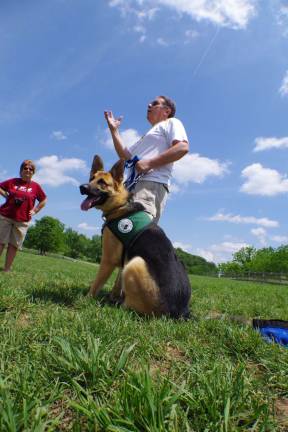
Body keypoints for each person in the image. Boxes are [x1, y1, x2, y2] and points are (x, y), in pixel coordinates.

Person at [104, 95, 189, 223]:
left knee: (137, 228)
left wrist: (149, 163)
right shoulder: (147, 135)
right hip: (130, 187)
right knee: (121, 230)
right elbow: (124, 156)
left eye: (154, 103)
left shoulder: (172, 122)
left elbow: (182, 147)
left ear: (167, 111)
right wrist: (114, 130)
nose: (149, 105)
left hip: (150, 184)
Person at [0, 160, 47, 272]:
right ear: (21, 170)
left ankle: (7, 269)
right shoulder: (13, 181)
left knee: (14, 245)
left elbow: (44, 200)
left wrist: (35, 210)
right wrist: (5, 195)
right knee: (0, 242)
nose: (28, 170)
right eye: (25, 168)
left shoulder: (36, 186)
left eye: (31, 169)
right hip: (5, 215)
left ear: (33, 172)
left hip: (22, 220)